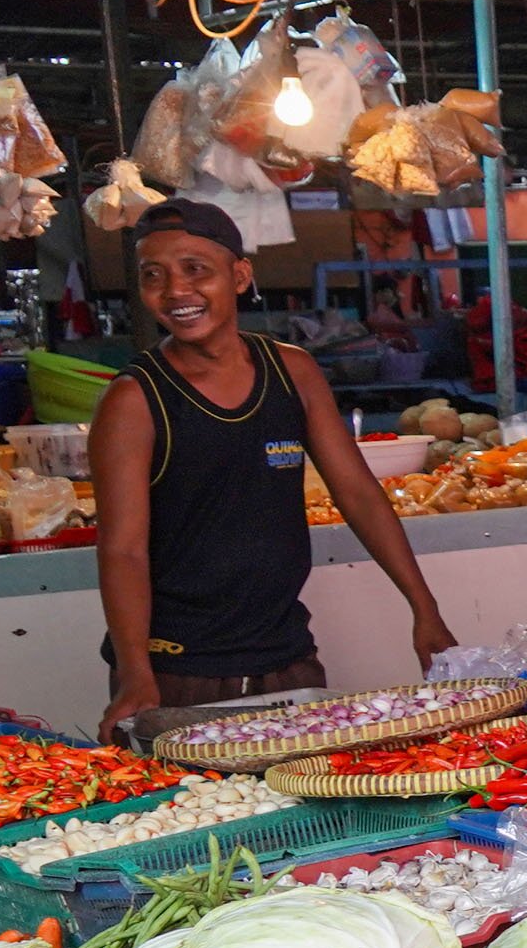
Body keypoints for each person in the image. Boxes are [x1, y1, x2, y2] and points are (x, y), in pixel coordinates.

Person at [90, 199, 455, 740]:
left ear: (239, 276)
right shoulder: (134, 400)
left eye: (196, 269)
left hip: (287, 657)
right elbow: (122, 549)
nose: (176, 291)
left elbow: (356, 492)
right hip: (178, 671)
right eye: (153, 275)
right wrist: (137, 674)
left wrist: (424, 609)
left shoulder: (293, 372)